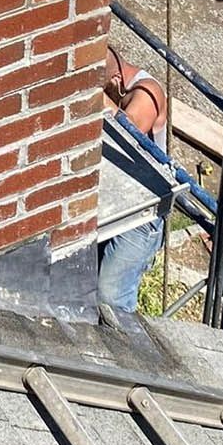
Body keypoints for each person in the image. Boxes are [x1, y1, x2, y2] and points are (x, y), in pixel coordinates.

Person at [97, 47, 170, 315]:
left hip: (142, 213)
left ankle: (123, 349)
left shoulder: (147, 92)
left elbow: (125, 135)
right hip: (118, 199)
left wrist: (98, 100)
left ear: (115, 81)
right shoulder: (123, 89)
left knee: (110, 297)